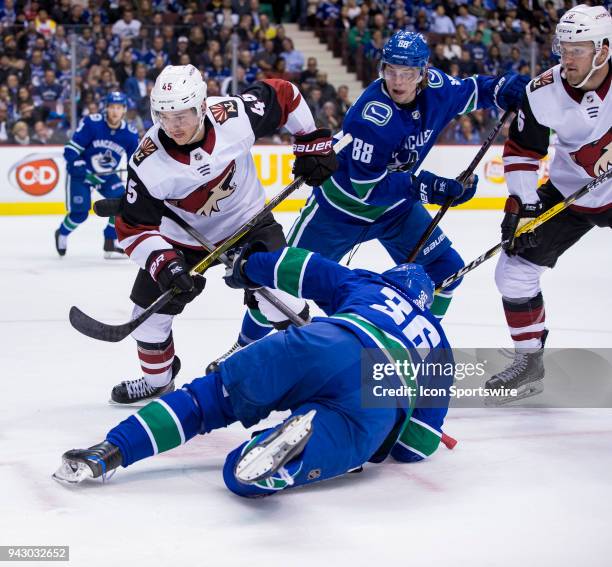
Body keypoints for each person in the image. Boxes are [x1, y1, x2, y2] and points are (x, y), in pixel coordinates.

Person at [53, 246, 453, 497]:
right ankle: (287, 452)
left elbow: (302, 266)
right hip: (379, 393)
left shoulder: (368, 284)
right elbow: (416, 447)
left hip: (325, 341)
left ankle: (109, 451)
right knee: (243, 476)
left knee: (204, 399)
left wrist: (248, 267)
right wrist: (399, 427)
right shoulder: (441, 346)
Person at [109, 64, 337, 404]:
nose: (174, 126)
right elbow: (132, 229)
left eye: (182, 115)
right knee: (146, 320)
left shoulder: (233, 116)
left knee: (281, 302)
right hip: (182, 241)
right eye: (164, 116)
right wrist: (163, 263)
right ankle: (158, 381)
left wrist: (310, 142)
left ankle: (311, 372)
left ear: (202, 106)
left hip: (248, 222)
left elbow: (284, 96)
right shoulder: (147, 162)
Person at [285, 30, 529, 323]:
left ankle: (420, 345)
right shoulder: (371, 116)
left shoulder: (437, 89)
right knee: (283, 283)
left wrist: (501, 88)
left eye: (408, 72)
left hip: (395, 211)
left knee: (446, 272)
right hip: (339, 211)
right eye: (391, 70)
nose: (398, 80)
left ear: (423, 72)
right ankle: (243, 346)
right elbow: (366, 189)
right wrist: (427, 187)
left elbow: (475, 90)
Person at [485, 5, 612, 403]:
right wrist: (523, 205)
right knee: (513, 272)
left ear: (603, 51)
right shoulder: (543, 92)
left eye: (578, 49)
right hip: (568, 191)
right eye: (563, 48)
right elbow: (523, 151)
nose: (566, 57)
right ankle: (530, 362)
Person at [55, 92, 139, 258]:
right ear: (106, 108)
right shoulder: (92, 124)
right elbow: (71, 150)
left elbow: (134, 163)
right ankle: (62, 233)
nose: (115, 111)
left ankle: (110, 241)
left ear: (124, 110)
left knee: (121, 204)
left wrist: (136, 176)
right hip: (82, 174)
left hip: (106, 177)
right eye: (112, 107)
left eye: (119, 107)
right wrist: (79, 166)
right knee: (80, 214)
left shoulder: (130, 134)